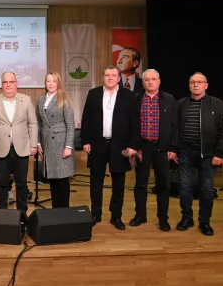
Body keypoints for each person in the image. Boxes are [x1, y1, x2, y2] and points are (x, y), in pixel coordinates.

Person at [80, 65, 140, 229]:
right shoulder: (94, 94)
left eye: (113, 75)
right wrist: (85, 141)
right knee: (96, 182)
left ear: (119, 78)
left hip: (120, 146)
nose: (110, 78)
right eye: (107, 75)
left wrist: (133, 145)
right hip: (97, 144)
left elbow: (135, 123)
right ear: (103, 77)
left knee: (118, 183)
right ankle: (95, 214)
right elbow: (86, 119)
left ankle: (116, 216)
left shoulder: (129, 96)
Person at [175, 72, 223, 236]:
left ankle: (204, 221)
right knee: (184, 187)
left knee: (206, 189)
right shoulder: (181, 104)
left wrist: (220, 153)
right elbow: (175, 128)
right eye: (192, 82)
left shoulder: (217, 104)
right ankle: (187, 217)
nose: (196, 85)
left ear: (206, 85)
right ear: (189, 85)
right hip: (185, 152)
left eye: (199, 82)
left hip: (208, 154)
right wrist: (175, 148)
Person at [130, 69, 177, 231]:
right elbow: (130, 125)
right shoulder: (136, 99)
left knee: (163, 184)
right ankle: (140, 215)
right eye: (147, 80)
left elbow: (175, 126)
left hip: (162, 147)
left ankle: (163, 218)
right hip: (142, 148)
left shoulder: (169, 99)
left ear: (159, 81)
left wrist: (173, 148)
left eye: (153, 79)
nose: (150, 82)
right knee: (140, 183)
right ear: (143, 82)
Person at [0, 71, 38, 213]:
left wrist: (33, 144)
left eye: (11, 82)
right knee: (1, 184)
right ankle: (2, 215)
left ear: (16, 84)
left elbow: (33, 123)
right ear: (1, 85)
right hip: (0, 149)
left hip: (22, 148)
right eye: (5, 82)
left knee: (22, 184)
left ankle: (22, 216)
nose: (8, 85)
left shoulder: (26, 100)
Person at [36, 71, 75, 208]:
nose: (51, 84)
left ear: (58, 82)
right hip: (47, 143)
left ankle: (63, 211)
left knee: (62, 179)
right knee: (52, 178)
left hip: (61, 143)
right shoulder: (41, 100)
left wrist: (68, 146)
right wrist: (38, 142)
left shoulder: (64, 98)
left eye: (54, 81)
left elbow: (70, 125)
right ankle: (55, 211)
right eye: (48, 81)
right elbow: (39, 123)